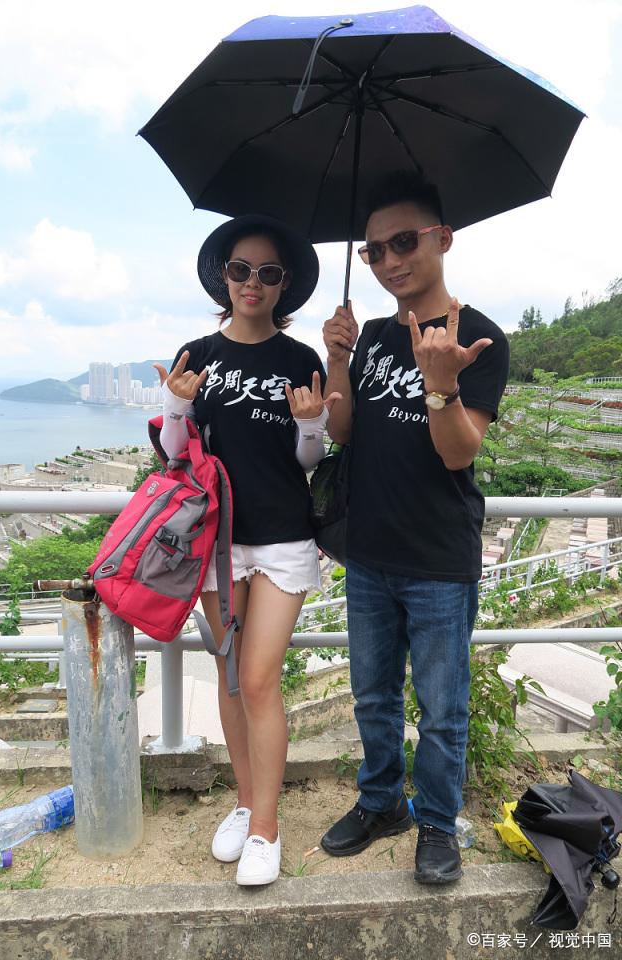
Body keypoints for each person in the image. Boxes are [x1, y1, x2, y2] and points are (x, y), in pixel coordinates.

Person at [320, 173, 510, 883]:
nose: (389, 260)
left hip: (437, 558)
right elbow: (342, 431)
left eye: (404, 241)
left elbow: (459, 452)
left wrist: (441, 384)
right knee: (372, 696)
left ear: (443, 239)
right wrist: (338, 359)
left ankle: (436, 821)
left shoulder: (480, 337)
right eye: (373, 250)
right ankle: (381, 803)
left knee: (442, 709)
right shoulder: (372, 336)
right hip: (368, 551)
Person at [154, 214, 339, 886]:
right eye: (240, 269)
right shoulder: (197, 354)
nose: (251, 282)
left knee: (259, 679)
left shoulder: (300, 360)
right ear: (223, 277)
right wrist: (177, 406)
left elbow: (307, 461)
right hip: (219, 539)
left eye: (267, 272)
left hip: (284, 537)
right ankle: (243, 800)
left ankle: (266, 826)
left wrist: (310, 425)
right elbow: (175, 454)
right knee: (231, 676)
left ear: (284, 285)